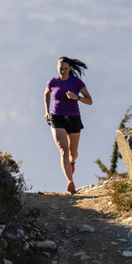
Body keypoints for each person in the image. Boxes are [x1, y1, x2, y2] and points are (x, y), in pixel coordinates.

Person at [44, 56, 93, 194]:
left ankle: (72, 163)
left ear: (70, 68)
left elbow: (90, 101)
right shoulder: (52, 82)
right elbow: (46, 94)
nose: (63, 71)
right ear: (57, 68)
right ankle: (70, 182)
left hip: (74, 119)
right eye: (61, 68)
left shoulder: (77, 82)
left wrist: (76, 97)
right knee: (63, 150)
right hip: (57, 118)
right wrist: (47, 111)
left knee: (73, 153)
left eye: (66, 68)